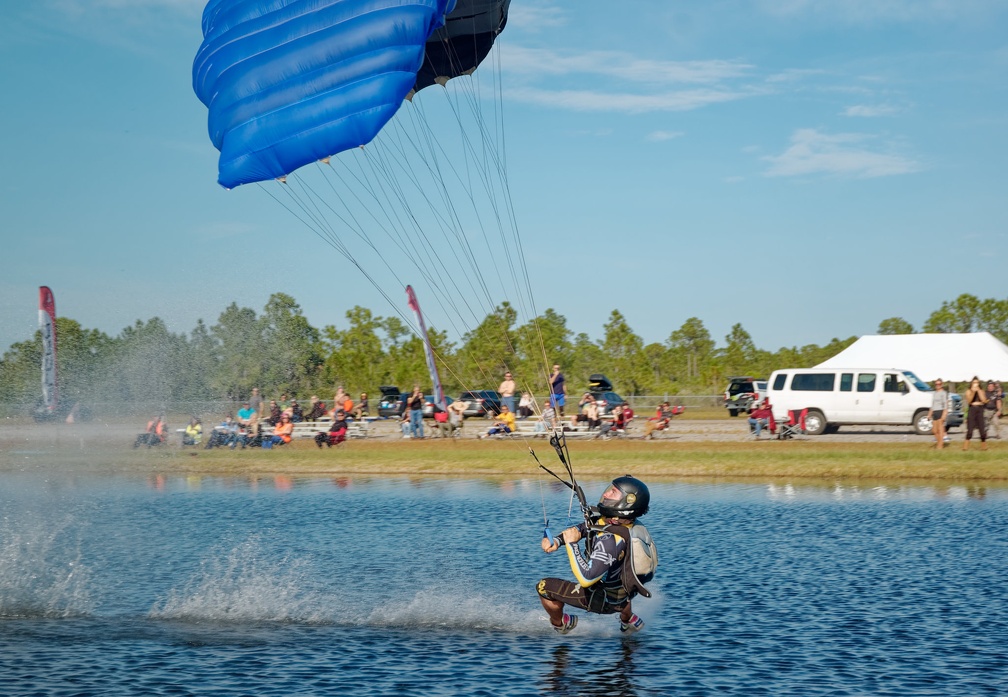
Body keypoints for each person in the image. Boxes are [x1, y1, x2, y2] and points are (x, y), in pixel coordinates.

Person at [537, 476, 656, 634]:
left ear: (627, 502)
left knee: (543, 587)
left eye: (613, 492)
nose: (605, 494)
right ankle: (628, 620)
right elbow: (588, 527)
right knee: (614, 572)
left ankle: (560, 624)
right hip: (626, 590)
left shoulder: (610, 541)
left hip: (605, 600)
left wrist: (572, 544)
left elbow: (586, 579)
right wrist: (558, 541)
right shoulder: (626, 524)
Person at [963, 376, 989, 451]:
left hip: (980, 410)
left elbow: (984, 400)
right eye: (974, 382)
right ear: (971, 383)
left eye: (977, 382)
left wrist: (978, 391)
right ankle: (965, 447)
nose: (975, 384)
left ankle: (984, 447)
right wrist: (973, 391)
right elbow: (969, 401)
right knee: (970, 430)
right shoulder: (968, 391)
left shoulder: (981, 390)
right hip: (972, 410)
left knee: (982, 430)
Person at [931, 379, 948, 449]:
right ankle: (939, 442)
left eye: (939, 384)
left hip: (940, 411)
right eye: (936, 384)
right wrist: (929, 414)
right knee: (934, 430)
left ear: (941, 385)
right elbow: (932, 405)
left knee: (940, 430)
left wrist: (944, 414)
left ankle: (940, 445)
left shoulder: (943, 393)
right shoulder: (934, 393)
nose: (938, 385)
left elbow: (945, 404)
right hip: (935, 412)